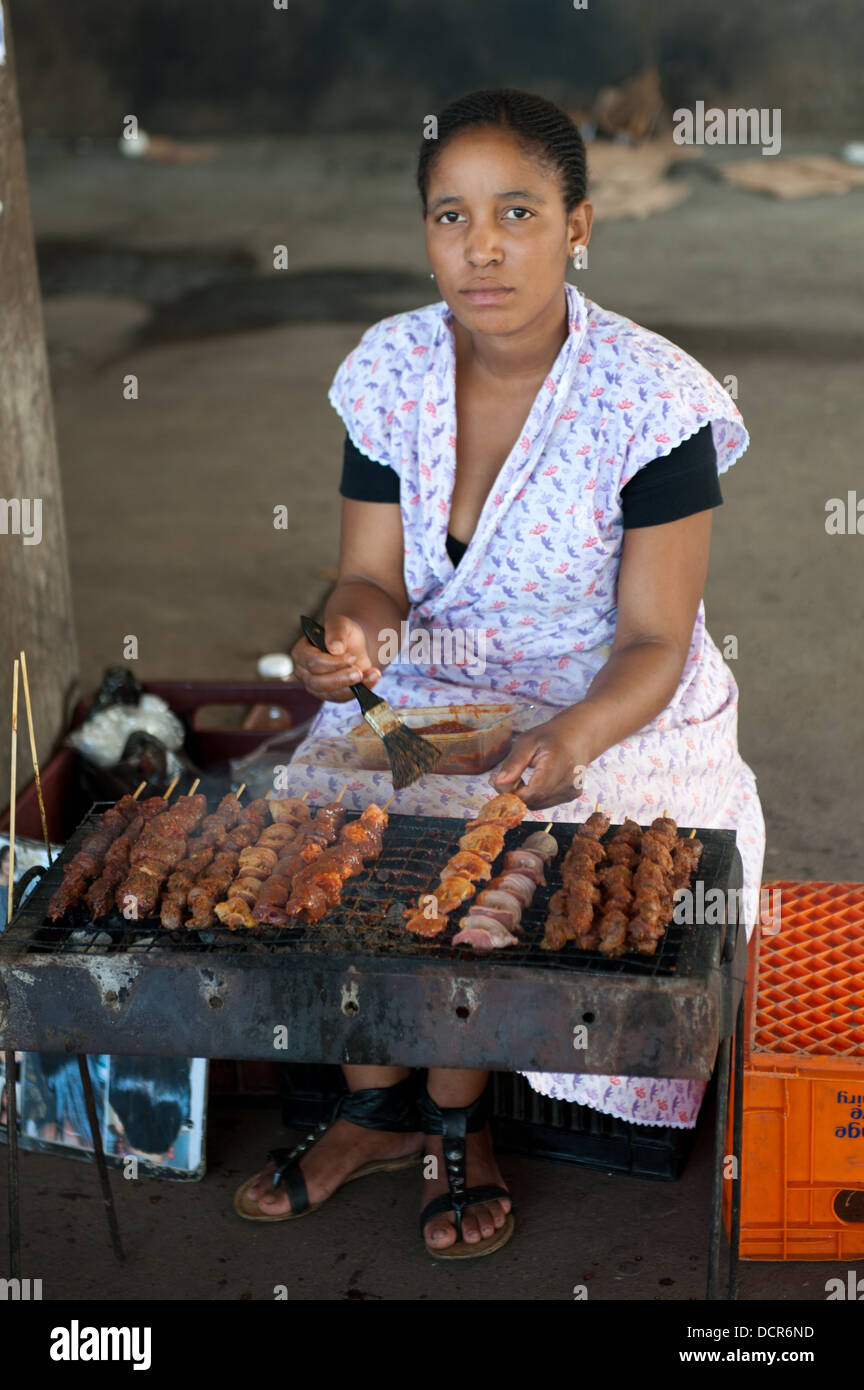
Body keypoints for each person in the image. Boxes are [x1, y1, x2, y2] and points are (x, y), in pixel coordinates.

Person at [234, 89, 765, 1258]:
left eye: (517, 212)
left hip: (611, 699)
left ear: (580, 226)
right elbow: (369, 578)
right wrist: (350, 639)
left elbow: (653, 643)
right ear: (424, 232)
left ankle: (457, 1126)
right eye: (451, 216)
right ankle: (372, 1106)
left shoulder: (652, 400)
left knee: (502, 842)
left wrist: (566, 743)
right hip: (438, 688)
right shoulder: (389, 372)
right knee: (335, 806)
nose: (482, 247)